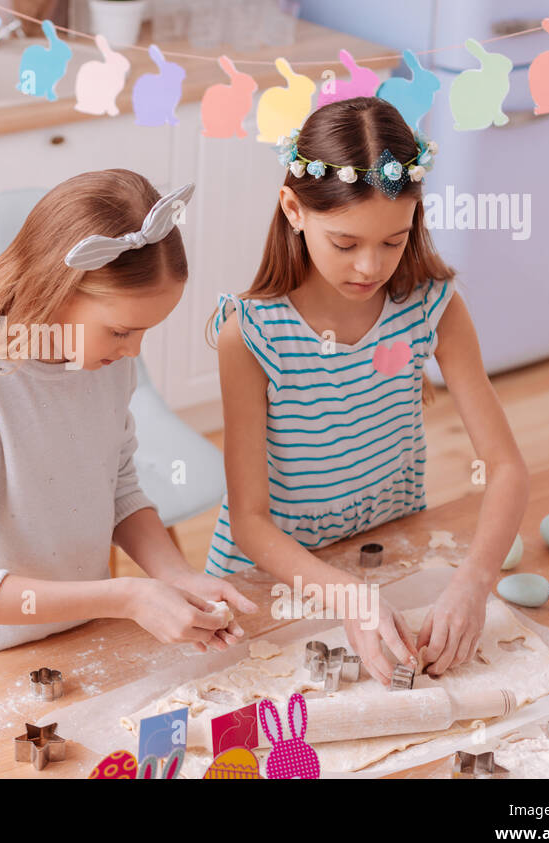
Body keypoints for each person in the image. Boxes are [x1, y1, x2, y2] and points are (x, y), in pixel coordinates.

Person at [207, 96, 528, 684]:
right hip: (274, 582)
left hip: (389, 555)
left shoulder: (432, 308)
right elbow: (251, 523)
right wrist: (347, 597)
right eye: (346, 243)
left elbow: (506, 467)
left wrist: (475, 582)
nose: (369, 267)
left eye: (394, 240)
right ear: (293, 209)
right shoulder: (250, 334)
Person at [0, 169, 256, 673]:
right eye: (122, 331)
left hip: (85, 639)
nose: (134, 351)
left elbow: (120, 487)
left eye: (144, 332)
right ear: (57, 292)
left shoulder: (105, 367)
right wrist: (124, 598)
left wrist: (174, 574)